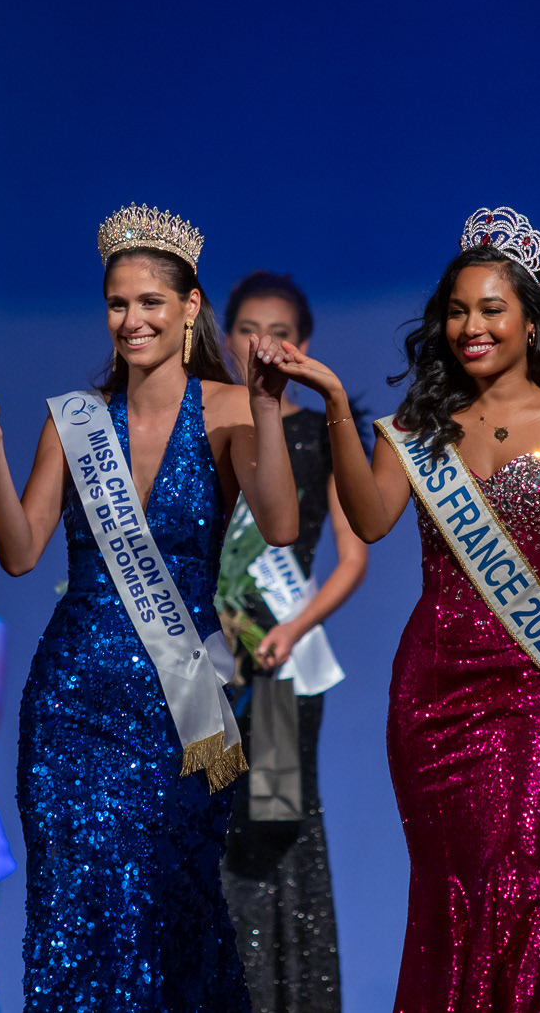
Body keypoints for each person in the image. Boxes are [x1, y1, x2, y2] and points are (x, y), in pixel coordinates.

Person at [268, 207, 540, 1011]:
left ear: (531, 320)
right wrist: (336, 400)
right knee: (447, 898)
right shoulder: (418, 428)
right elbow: (370, 520)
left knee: (517, 884)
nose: (471, 326)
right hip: (431, 694)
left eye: (490, 309)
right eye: (456, 310)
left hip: (533, 690)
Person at [0, 204, 301, 1011]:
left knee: (169, 919)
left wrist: (268, 406)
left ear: (190, 306)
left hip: (179, 712)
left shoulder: (229, 408)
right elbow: (20, 551)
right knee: (77, 921)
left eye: (149, 301)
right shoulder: (74, 420)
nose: (132, 319)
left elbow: (281, 523)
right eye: (117, 302)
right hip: (71, 709)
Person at [216, 272, 367, 1012]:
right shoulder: (204, 427)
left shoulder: (316, 436)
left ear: (301, 346)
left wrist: (289, 629)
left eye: (277, 333)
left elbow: (352, 558)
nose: (260, 344)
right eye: (247, 329)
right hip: (210, 660)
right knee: (211, 820)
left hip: (285, 664)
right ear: (224, 338)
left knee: (282, 819)